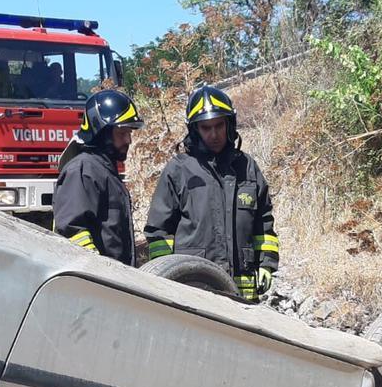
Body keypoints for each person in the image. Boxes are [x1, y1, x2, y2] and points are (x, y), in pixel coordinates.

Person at [144, 85, 278, 302]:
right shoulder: (179, 170)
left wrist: (267, 264)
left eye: (219, 126)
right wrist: (164, 278)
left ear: (229, 124)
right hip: (194, 291)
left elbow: (264, 224)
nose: (214, 134)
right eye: (206, 128)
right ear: (194, 129)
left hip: (242, 292)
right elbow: (158, 233)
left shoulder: (248, 168)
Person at [53, 90, 144, 265]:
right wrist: (97, 273)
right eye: (122, 133)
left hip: (116, 279)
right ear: (102, 132)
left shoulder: (105, 170)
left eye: (130, 133)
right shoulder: (83, 170)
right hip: (96, 283)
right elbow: (72, 231)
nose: (128, 140)